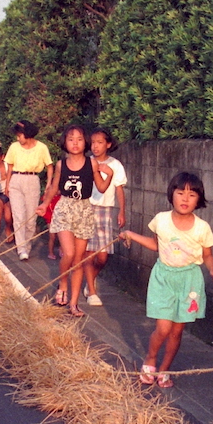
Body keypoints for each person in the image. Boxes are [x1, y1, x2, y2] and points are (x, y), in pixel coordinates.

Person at [120, 172, 213, 387]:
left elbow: (208, 255)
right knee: (163, 328)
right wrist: (130, 234)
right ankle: (151, 359)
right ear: (171, 194)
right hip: (163, 278)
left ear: (198, 199)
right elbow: (156, 245)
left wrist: (212, 270)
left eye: (191, 194)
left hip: (189, 281)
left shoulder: (202, 228)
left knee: (177, 331)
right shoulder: (161, 220)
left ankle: (165, 369)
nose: (185, 198)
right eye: (180, 192)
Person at [37, 124, 113, 317]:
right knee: (69, 254)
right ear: (65, 142)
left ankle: (73, 303)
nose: (75, 143)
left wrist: (110, 175)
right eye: (71, 139)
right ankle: (63, 283)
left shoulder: (92, 164)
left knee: (78, 261)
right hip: (64, 208)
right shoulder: (62, 164)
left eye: (79, 139)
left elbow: (102, 188)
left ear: (85, 142)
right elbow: (54, 188)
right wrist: (45, 204)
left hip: (84, 211)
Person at [83, 127, 127, 306]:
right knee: (89, 252)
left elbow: (119, 189)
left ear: (108, 144)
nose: (95, 146)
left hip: (105, 210)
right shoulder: (86, 163)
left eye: (100, 142)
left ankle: (89, 279)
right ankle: (92, 292)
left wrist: (122, 211)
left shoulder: (115, 165)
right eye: (93, 142)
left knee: (102, 256)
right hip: (86, 208)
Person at [4, 120, 54, 261]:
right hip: (16, 180)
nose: (18, 138)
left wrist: (49, 184)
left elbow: (50, 166)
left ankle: (27, 245)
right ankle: (22, 249)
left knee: (31, 219)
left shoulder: (42, 148)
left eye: (19, 135)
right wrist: (7, 185)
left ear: (27, 134)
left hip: (32, 180)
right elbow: (10, 167)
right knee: (18, 217)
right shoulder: (14, 147)